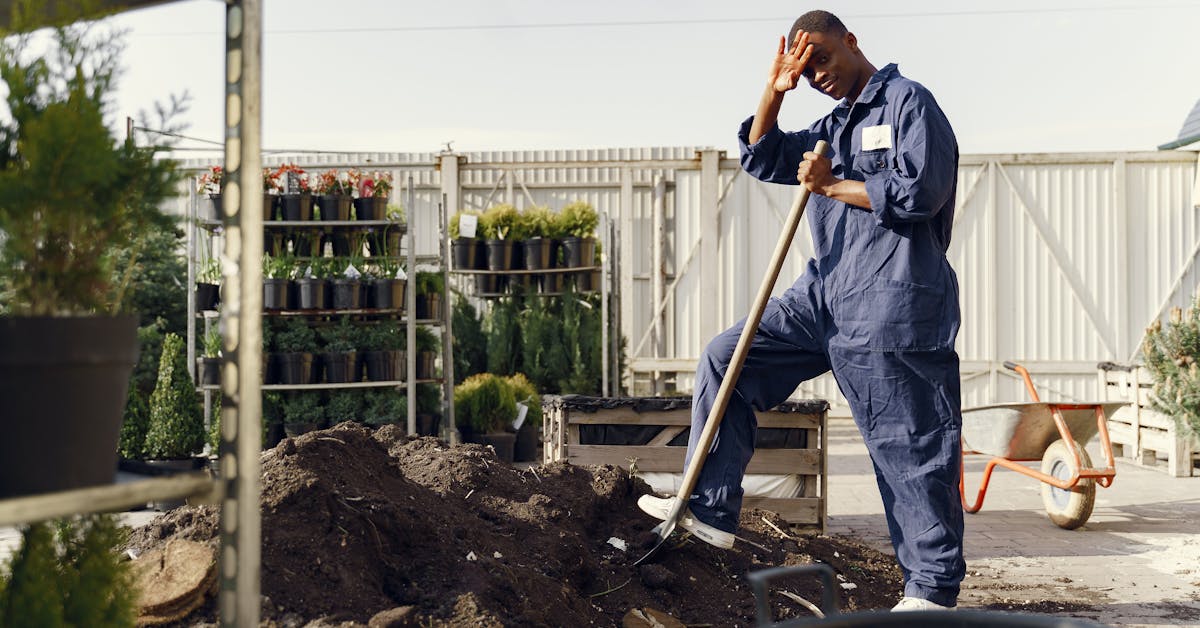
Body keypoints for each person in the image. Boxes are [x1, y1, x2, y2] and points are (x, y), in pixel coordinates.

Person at [638, 9, 965, 612]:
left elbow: (923, 192)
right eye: (805, 66)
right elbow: (762, 156)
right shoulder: (833, 125)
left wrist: (832, 185)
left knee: (909, 444)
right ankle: (709, 510)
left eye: (822, 59)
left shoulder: (908, 104)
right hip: (824, 297)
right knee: (726, 359)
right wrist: (774, 91)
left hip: (893, 298)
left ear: (852, 41)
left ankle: (930, 593)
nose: (816, 73)